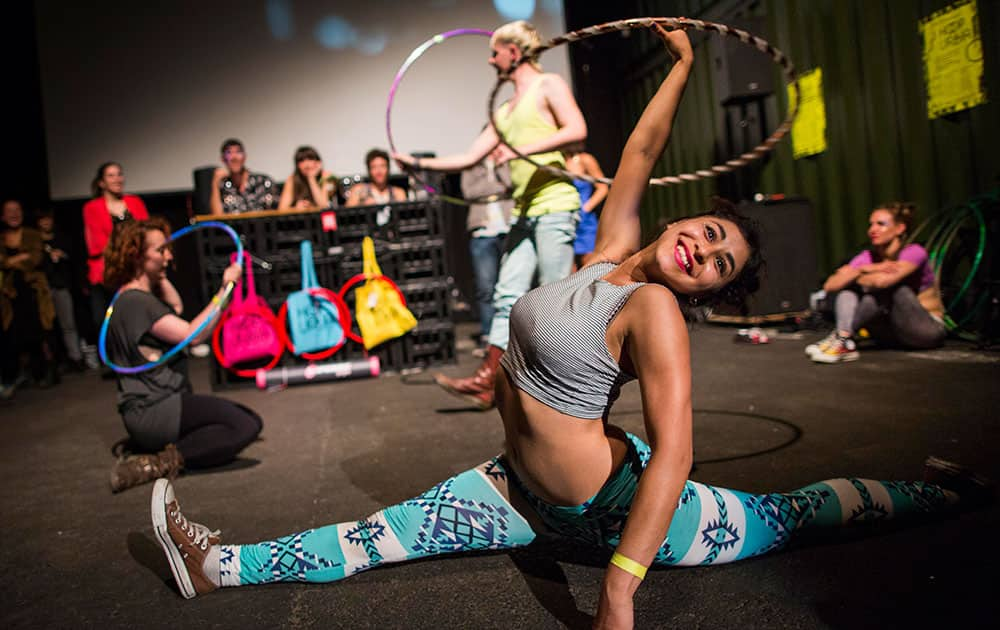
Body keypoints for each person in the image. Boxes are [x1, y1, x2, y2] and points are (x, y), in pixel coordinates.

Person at [148, 29, 988, 628]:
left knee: (793, 514)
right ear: (680, 221)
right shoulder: (608, 258)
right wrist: (683, 62)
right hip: (519, 490)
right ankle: (216, 564)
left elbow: (681, 449)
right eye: (707, 231)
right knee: (379, 536)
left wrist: (621, 590)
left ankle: (945, 494)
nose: (703, 248)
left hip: (617, 509)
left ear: (708, 287)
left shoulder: (654, 309)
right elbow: (639, 154)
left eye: (721, 262)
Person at [394, 20, 587, 409]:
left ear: (513, 53)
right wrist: (414, 161)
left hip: (554, 205)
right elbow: (469, 156)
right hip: (525, 210)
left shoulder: (548, 86)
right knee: (506, 294)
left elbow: (577, 129)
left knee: (554, 298)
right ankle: (489, 381)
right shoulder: (505, 109)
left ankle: (567, 385)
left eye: (495, 51)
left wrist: (524, 150)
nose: (490, 59)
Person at [103, 217, 262, 492]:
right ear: (137, 255)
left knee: (251, 419)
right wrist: (227, 289)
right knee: (243, 427)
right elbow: (193, 333)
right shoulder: (136, 302)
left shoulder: (131, 297)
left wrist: (157, 274)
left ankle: (150, 447)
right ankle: (156, 463)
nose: (168, 255)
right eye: (160, 250)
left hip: (161, 404)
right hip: (154, 408)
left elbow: (175, 307)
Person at [807, 202, 947, 363]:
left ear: (900, 228)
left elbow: (883, 282)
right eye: (871, 224)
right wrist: (866, 269)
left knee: (893, 289)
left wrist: (854, 274)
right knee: (848, 290)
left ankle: (842, 336)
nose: (872, 230)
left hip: (925, 330)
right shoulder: (867, 257)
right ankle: (843, 339)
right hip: (891, 333)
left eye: (881, 224)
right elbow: (830, 285)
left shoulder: (913, 252)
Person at [82, 162, 149, 345]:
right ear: (101, 182)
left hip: (136, 266)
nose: (117, 179)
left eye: (119, 174)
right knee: (105, 318)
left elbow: (146, 232)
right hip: (107, 270)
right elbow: (97, 243)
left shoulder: (134, 202)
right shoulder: (92, 208)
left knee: (137, 314)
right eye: (111, 175)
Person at [1, 199, 57, 396]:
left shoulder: (32, 235)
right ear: (2, 215)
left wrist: (9, 261)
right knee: (11, 334)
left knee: (38, 331)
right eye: (9, 211)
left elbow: (35, 259)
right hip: (8, 294)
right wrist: (17, 259)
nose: (14, 214)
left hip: (32, 291)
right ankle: (15, 375)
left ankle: (41, 372)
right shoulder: (1, 238)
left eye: (17, 210)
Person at [459, 153, 514, 350]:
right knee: (485, 288)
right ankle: (490, 338)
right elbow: (469, 192)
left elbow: (513, 184)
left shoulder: (507, 162)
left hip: (509, 230)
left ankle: (514, 335)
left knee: (512, 286)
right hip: (482, 233)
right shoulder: (471, 165)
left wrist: (499, 169)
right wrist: (499, 187)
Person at [37, 207, 85, 372]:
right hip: (41, 288)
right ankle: (54, 362)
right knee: (47, 327)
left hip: (61, 285)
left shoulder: (62, 239)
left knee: (68, 324)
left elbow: (74, 260)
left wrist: (62, 255)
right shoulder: (35, 242)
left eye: (48, 218)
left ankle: (76, 358)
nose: (46, 222)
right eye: (42, 219)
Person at [564, 142, 610, 269]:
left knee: (589, 265)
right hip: (563, 219)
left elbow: (603, 187)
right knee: (567, 269)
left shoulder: (585, 159)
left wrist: (586, 208)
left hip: (584, 221)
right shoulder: (556, 160)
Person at [209, 139, 278, 215]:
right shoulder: (223, 187)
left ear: (245, 156)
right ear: (222, 159)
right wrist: (215, 183)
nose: (234, 157)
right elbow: (217, 218)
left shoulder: (263, 181)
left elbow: (274, 212)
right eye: (229, 153)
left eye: (238, 152)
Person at [278, 145, 336, 211]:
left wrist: (311, 178)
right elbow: (281, 209)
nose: (307, 164)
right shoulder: (292, 180)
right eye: (302, 160)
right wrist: (295, 208)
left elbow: (323, 205)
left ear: (318, 162)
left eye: (310, 159)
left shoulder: (328, 177)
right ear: (297, 165)